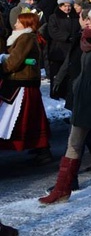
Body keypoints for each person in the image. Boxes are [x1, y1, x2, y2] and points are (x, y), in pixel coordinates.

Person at [39, 3, 91, 204]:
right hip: (83, 100)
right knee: (74, 144)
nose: (88, 21)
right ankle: (62, 188)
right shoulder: (88, 38)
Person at [0, 12, 51, 164]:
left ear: (26, 25)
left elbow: (14, 61)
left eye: (18, 21)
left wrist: (3, 66)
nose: (15, 24)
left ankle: (41, 147)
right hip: (22, 83)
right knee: (31, 117)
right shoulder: (23, 37)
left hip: (21, 84)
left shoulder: (25, 38)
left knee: (16, 118)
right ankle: (40, 147)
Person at [47, 0, 81, 99]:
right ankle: (55, 92)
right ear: (60, 6)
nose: (67, 8)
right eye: (65, 6)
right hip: (58, 49)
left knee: (68, 73)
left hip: (71, 48)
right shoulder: (54, 17)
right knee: (56, 72)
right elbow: (53, 31)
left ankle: (65, 92)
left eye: (69, 6)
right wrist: (67, 37)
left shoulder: (75, 17)